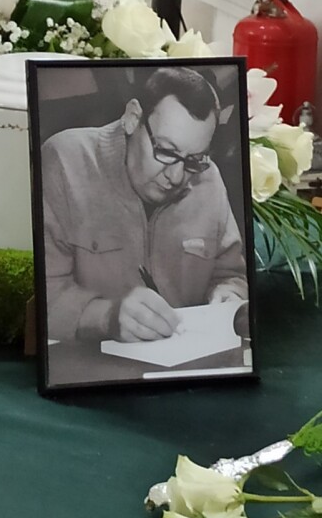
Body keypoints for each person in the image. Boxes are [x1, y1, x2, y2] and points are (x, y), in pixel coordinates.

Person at [41, 66, 248, 343]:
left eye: (193, 159)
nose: (176, 176)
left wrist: (228, 296)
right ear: (132, 117)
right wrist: (107, 317)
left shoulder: (208, 179)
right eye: (166, 151)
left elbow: (231, 275)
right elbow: (42, 296)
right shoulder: (65, 161)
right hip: (91, 361)